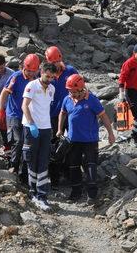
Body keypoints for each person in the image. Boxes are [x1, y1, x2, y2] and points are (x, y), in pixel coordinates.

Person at [57, 74, 115, 203]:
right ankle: (75, 193)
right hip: (73, 140)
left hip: (90, 140)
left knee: (90, 166)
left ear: (81, 89)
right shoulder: (67, 99)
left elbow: (103, 116)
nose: (71, 94)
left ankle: (92, 195)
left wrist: (110, 133)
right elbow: (62, 113)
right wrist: (60, 129)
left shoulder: (92, 100)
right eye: (69, 91)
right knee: (73, 166)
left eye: (73, 91)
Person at [0, 53, 41, 180]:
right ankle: (14, 165)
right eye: (28, 71)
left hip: (29, 115)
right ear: (23, 67)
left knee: (28, 143)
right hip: (14, 113)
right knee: (18, 140)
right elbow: (4, 93)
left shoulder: (38, 78)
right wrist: (0, 110)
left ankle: (25, 171)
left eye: (33, 71)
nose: (31, 74)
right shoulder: (16, 77)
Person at [22, 61, 58, 211]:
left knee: (43, 160)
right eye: (47, 76)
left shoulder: (52, 89)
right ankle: (33, 193)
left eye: (51, 77)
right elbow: (24, 105)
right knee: (32, 159)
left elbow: (45, 108)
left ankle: (42, 195)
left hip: (46, 128)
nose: (49, 79)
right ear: (41, 72)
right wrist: (31, 123)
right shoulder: (32, 86)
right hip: (32, 127)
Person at [44, 45, 79, 186]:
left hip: (70, 114)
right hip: (52, 115)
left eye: (57, 62)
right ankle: (54, 178)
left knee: (72, 144)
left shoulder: (70, 71)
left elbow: (81, 88)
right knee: (54, 146)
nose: (55, 65)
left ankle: (69, 173)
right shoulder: (47, 75)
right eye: (52, 63)